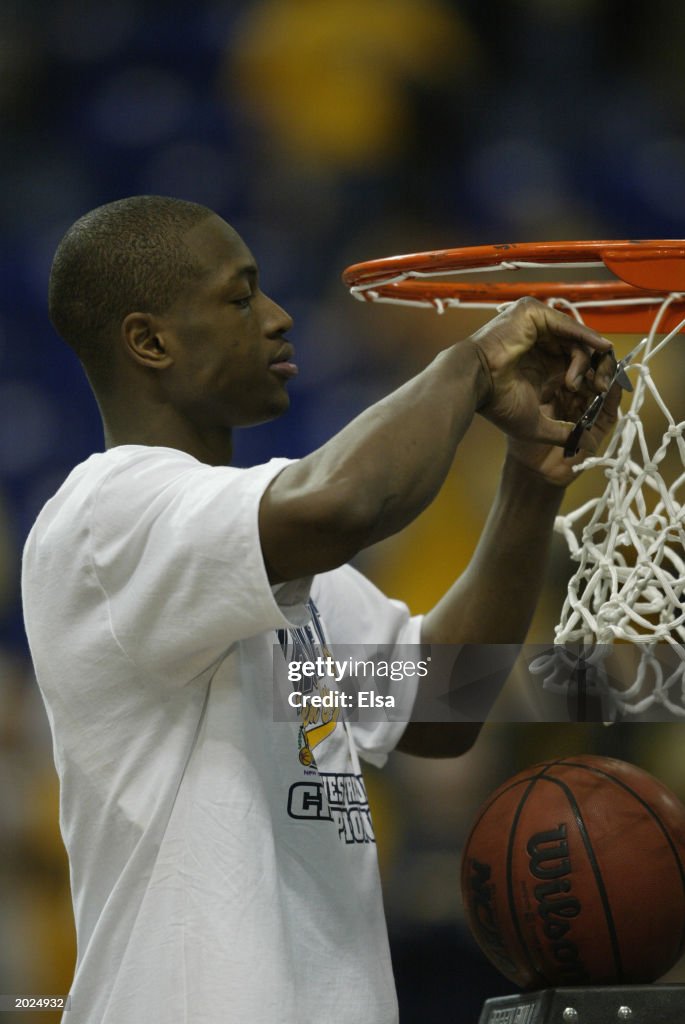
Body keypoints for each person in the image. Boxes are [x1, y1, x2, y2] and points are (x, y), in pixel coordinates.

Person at [22, 196, 618, 1024]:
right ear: (149, 341)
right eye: (239, 298)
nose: (276, 318)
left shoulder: (277, 569)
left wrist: (528, 478)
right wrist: (471, 365)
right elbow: (343, 502)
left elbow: (438, 707)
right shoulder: (107, 516)